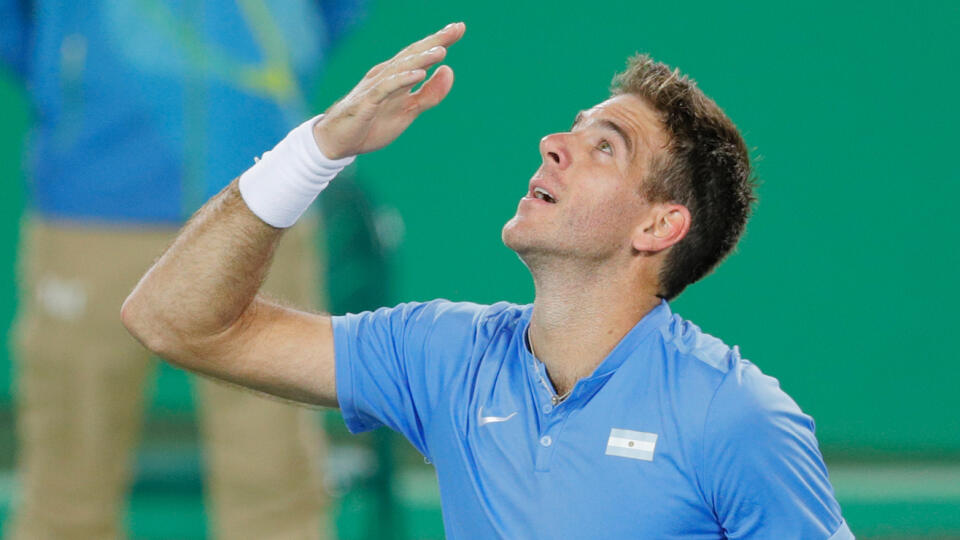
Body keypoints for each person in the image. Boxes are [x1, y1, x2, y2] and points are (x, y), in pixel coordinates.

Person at [122, 22, 854, 539]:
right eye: (572, 128)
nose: (554, 144)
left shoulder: (736, 418)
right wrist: (318, 148)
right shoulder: (441, 356)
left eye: (605, 146)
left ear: (658, 228)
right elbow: (176, 320)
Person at [1, 1, 361, 538]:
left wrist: (269, 67)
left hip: (265, 203)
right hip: (91, 205)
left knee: (276, 485)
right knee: (66, 488)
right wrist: (75, 78)